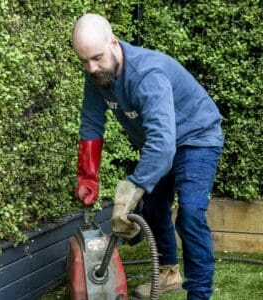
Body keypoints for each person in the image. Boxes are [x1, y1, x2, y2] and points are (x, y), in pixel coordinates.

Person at [72, 13, 224, 300]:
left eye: (97, 57)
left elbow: (164, 146)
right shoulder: (97, 75)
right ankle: (168, 272)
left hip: (197, 137)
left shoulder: (146, 75)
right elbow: (91, 124)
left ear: (114, 43)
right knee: (153, 208)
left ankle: (200, 294)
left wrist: (132, 188)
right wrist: (87, 177)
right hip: (161, 143)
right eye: (84, 61)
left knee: (190, 213)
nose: (92, 67)